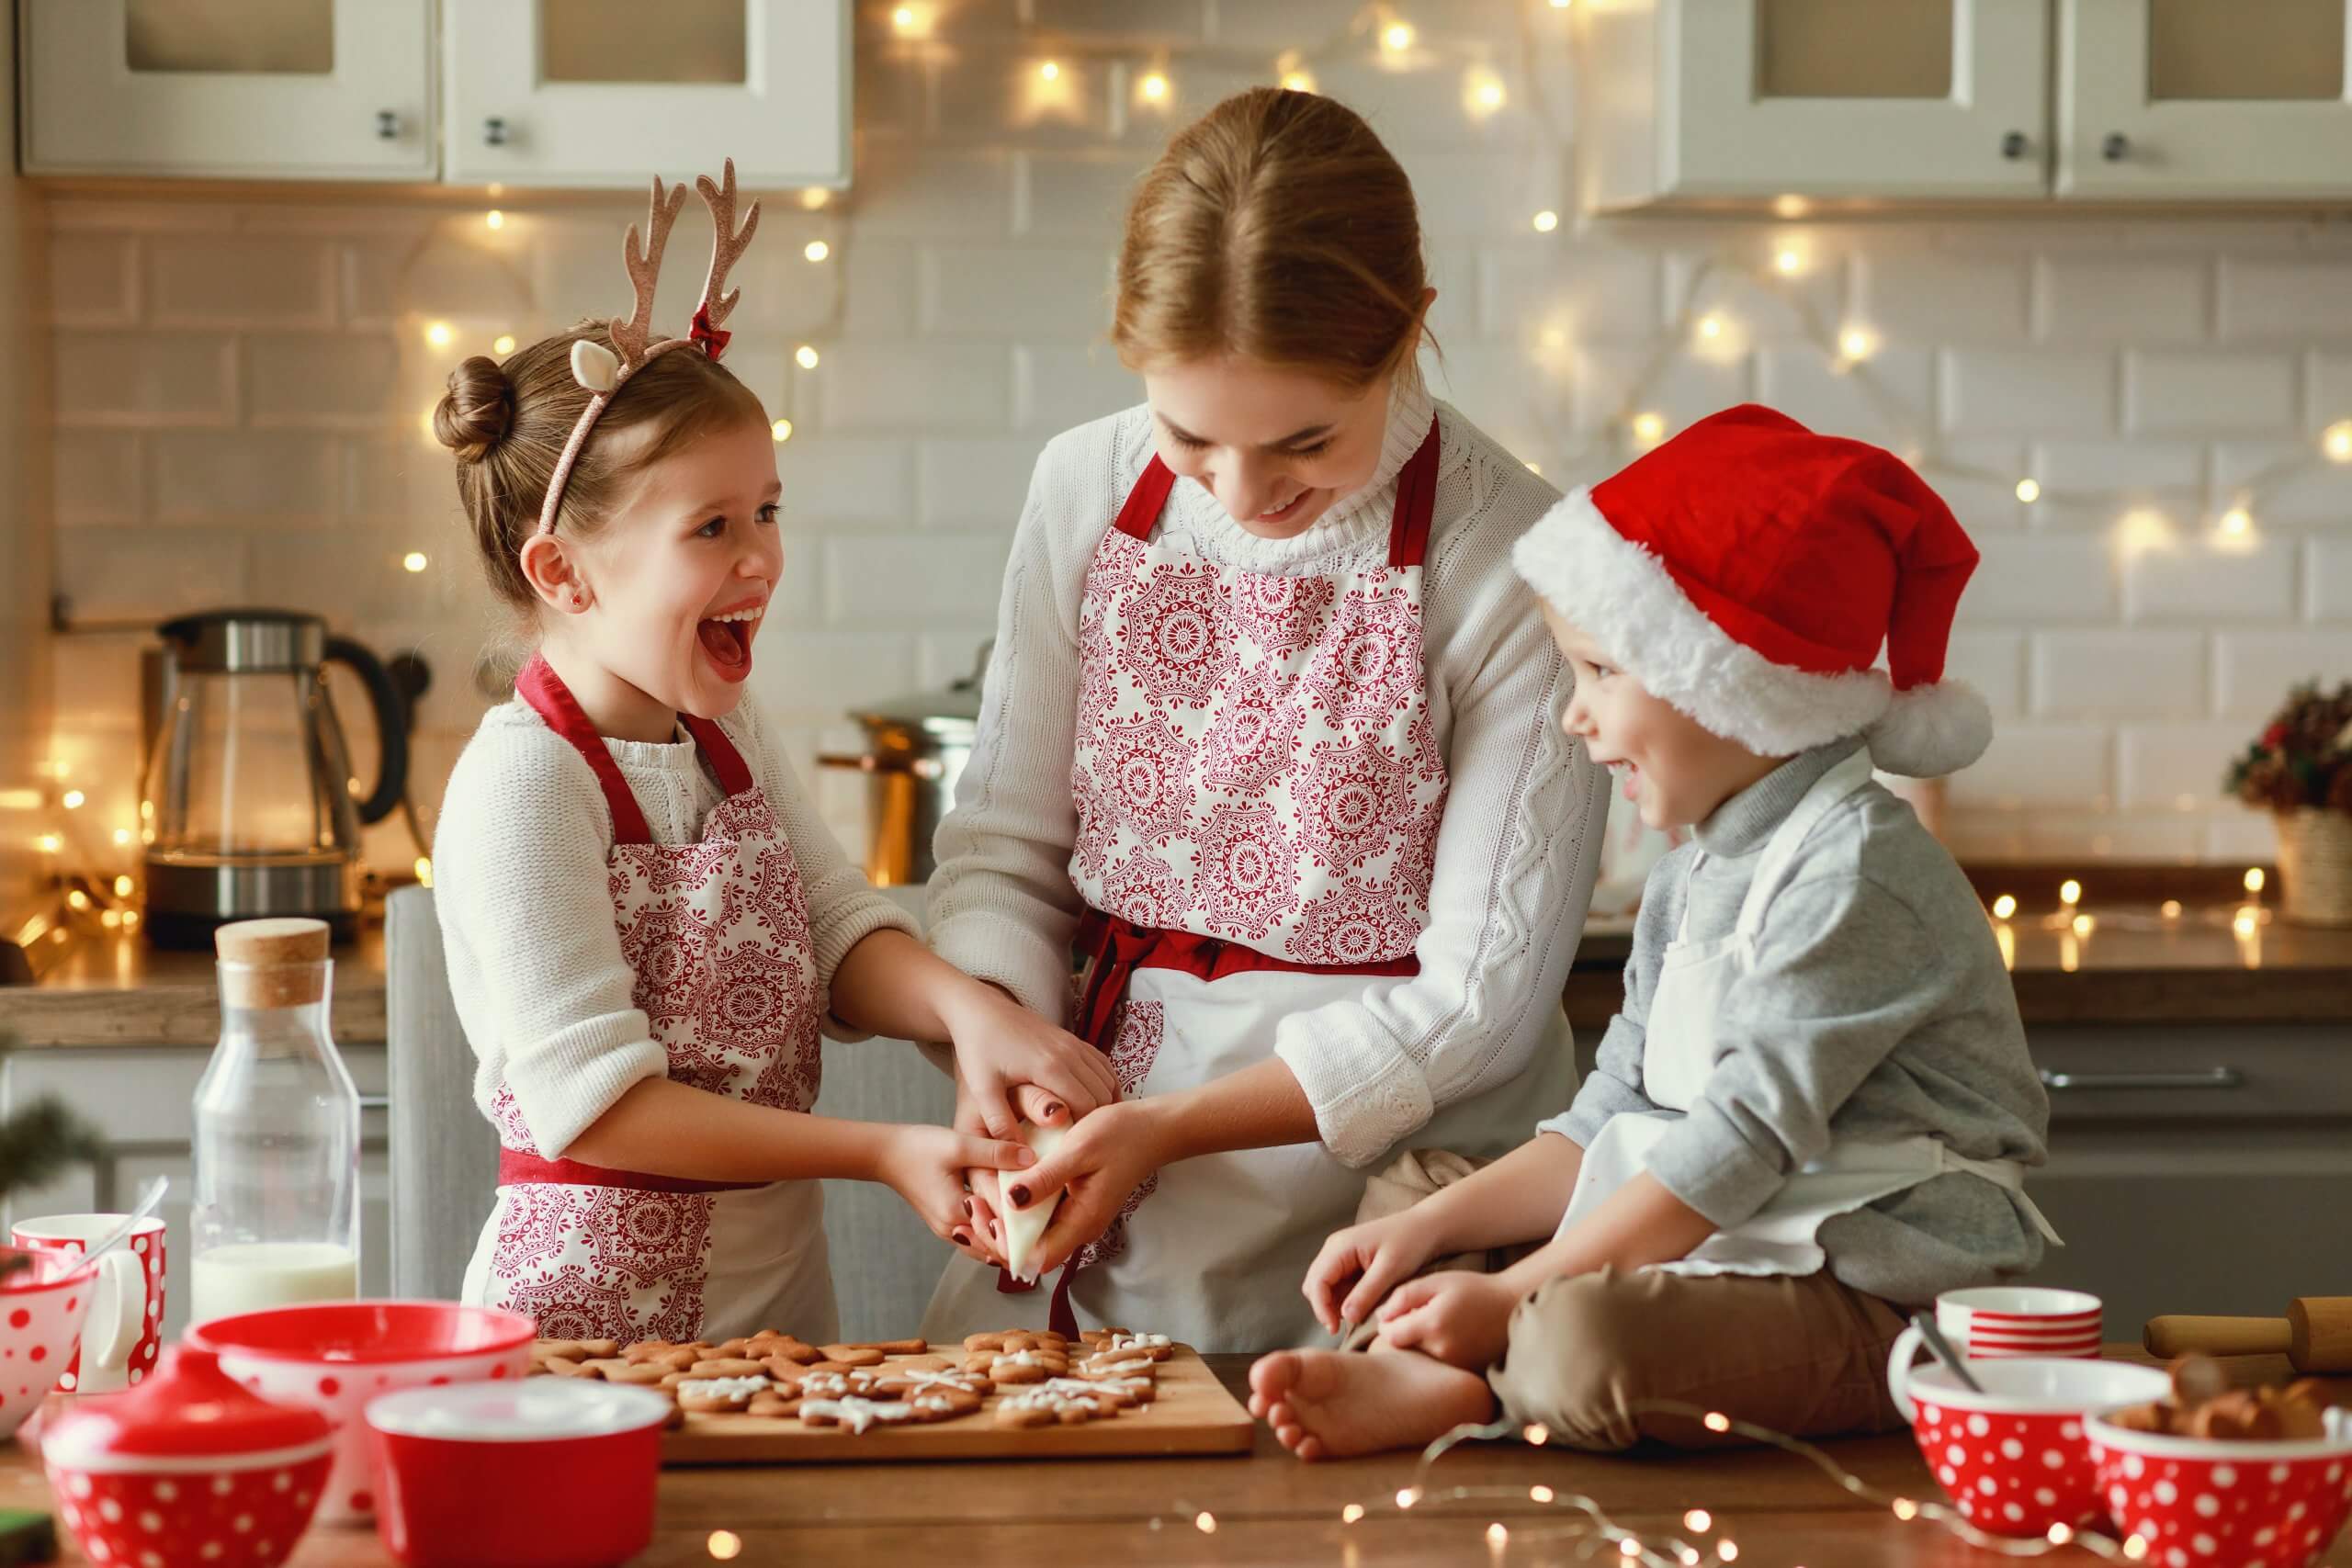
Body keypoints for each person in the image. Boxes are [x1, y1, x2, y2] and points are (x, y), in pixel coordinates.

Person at [920, 90, 1608, 1352]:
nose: (1244, 491)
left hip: (1400, 1207)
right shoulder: (1082, 484)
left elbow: (1482, 1002)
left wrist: (1166, 1131)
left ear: (1409, 336)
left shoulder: (1512, 553)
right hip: (1088, 1157)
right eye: (1190, 436)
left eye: (1305, 441)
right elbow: (1002, 851)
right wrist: (1009, 1044)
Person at [1252, 404, 2059, 1456]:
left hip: (1869, 1291)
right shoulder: (1695, 870)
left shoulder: (1853, 875)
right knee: (1417, 1196)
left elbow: (1739, 1142)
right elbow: (1614, 1116)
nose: (1572, 716)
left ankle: (1476, 1385)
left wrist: (1524, 1290)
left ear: (1734, 688)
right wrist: (1427, 1232)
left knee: (1580, 1340)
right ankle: (1448, 1364)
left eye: (1601, 672)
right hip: (1721, 1236)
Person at [430, 164, 1114, 1345]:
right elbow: (597, 1111)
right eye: (711, 527)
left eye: (769, 511)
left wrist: (965, 1011)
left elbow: (834, 927)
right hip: (589, 1323)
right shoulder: (524, 784)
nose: (761, 560)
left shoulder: (722, 733)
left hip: (775, 1298)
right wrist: (880, 1149)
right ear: (564, 574)